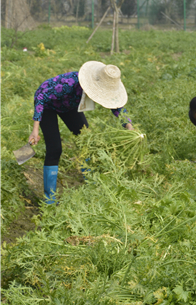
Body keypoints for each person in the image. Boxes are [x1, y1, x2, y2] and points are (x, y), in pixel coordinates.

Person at [29, 61, 133, 205]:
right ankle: (50, 201)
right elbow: (41, 97)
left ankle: (91, 185)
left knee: (87, 141)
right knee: (55, 149)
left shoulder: (104, 87)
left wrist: (128, 125)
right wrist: (35, 129)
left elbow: (117, 106)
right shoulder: (69, 83)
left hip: (69, 106)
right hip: (48, 105)